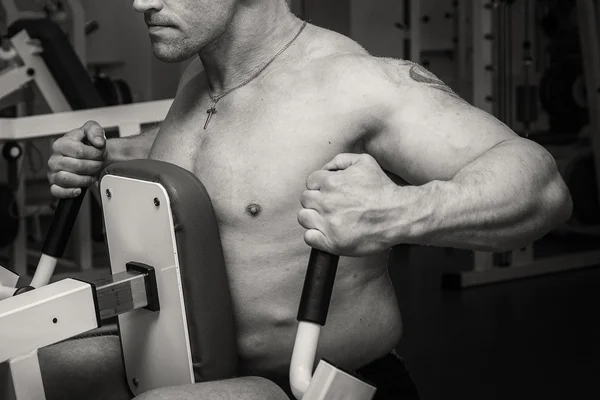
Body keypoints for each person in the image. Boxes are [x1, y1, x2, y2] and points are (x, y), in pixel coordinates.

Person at [44, 0, 573, 399]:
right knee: (27, 368)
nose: (141, 2)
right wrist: (108, 156)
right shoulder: (201, 81)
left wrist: (400, 211)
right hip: (199, 364)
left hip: (313, 385)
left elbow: (542, 186)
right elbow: (234, 156)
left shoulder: (353, 83)